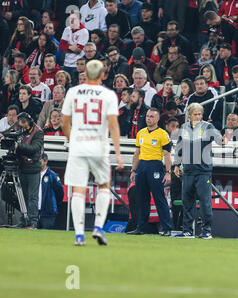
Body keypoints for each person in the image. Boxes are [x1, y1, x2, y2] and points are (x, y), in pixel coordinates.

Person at [61, 59, 124, 246]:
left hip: (78, 146)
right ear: (103, 75)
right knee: (103, 185)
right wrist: (118, 153)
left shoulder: (73, 92)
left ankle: (79, 234)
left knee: (78, 189)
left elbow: (64, 123)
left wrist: (73, 141)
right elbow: (113, 125)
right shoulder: (108, 95)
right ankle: (98, 227)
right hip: (99, 146)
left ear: (85, 74)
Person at [173, 103, 222, 239]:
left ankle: (207, 231)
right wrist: (176, 165)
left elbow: (218, 138)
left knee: (205, 202)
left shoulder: (208, 126)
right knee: (187, 202)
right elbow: (179, 148)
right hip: (188, 171)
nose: (198, 116)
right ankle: (188, 230)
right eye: (195, 114)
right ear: (189, 115)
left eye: (200, 114)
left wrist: (222, 139)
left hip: (203, 170)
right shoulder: (184, 128)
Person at [128, 108, 173, 236]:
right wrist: (133, 170)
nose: (148, 118)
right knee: (142, 198)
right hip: (142, 166)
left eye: (152, 117)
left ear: (158, 119)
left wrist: (168, 172)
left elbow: (167, 154)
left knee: (159, 197)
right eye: (147, 116)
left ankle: (167, 228)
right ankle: (141, 227)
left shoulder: (162, 134)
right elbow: (137, 153)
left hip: (155, 166)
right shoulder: (141, 132)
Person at [2, 112, 44, 229]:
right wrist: (3, 137)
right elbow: (7, 132)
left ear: (29, 121)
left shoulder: (38, 132)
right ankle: (23, 221)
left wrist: (17, 146)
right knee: (23, 196)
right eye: (20, 122)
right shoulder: (20, 129)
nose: (22, 125)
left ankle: (33, 222)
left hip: (33, 167)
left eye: (24, 122)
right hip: (21, 167)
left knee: (32, 197)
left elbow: (34, 148)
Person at [59, 12, 89, 79]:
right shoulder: (67, 29)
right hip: (66, 63)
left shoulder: (84, 31)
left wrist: (66, 46)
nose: (71, 21)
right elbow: (61, 46)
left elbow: (78, 50)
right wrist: (71, 47)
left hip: (77, 65)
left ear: (79, 20)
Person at [38, 153, 64, 229]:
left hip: (48, 213)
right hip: (35, 213)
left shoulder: (52, 176)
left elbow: (60, 193)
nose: (37, 162)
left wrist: (52, 205)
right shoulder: (34, 175)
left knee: (46, 236)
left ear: (45, 161)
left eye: (40, 160)